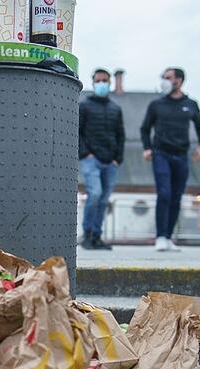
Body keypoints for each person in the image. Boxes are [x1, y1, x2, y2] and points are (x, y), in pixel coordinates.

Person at [140, 67, 200, 252]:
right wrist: (147, 148)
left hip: (182, 156)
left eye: (168, 77)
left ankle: (169, 237)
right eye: (163, 77)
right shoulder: (156, 104)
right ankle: (160, 237)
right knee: (164, 194)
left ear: (179, 80)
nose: (165, 80)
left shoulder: (191, 104)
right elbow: (145, 128)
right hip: (160, 154)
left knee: (176, 198)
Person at [79, 68, 125, 250]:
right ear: (93, 82)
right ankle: (87, 234)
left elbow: (120, 135)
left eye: (105, 80)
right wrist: (85, 154)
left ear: (110, 82)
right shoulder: (84, 105)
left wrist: (117, 159)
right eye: (98, 80)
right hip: (91, 159)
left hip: (110, 162)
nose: (102, 83)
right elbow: (78, 132)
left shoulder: (116, 108)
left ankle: (97, 236)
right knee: (95, 194)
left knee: (104, 199)